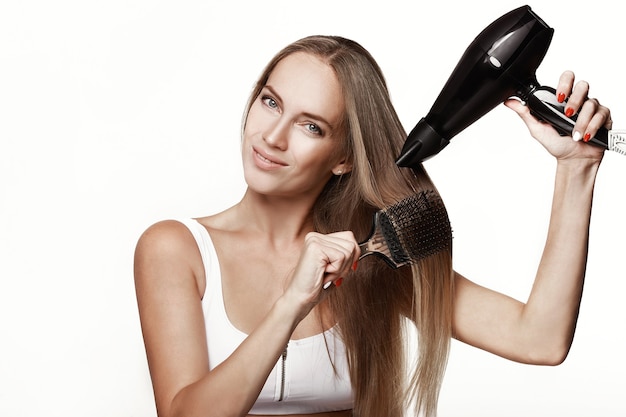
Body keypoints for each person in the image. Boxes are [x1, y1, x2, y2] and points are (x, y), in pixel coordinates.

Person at [133, 35, 612, 417]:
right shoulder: (176, 249)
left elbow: (540, 339)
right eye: (271, 102)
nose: (272, 137)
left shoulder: (370, 256)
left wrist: (577, 169)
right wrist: (291, 305)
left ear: (343, 158)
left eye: (311, 126)